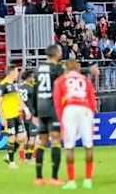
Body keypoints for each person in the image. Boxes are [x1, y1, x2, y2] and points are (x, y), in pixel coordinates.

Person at [53, 59, 96, 190]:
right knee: (88, 146)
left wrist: (61, 121)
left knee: (69, 147)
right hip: (85, 109)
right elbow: (92, 100)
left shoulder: (60, 80)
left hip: (70, 109)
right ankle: (87, 180)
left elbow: (57, 103)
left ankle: (71, 181)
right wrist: (91, 116)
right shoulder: (85, 79)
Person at [34, 45, 64, 185]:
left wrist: (35, 112)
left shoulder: (38, 69)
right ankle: (54, 178)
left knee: (42, 142)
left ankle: (39, 178)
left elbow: (34, 90)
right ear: (56, 54)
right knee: (56, 141)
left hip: (41, 107)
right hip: (52, 107)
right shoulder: (57, 68)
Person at [0, 65, 25, 169]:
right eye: (17, 71)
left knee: (22, 137)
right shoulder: (2, 85)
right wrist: (2, 117)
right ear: (11, 72)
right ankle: (12, 162)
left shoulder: (15, 85)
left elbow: (18, 98)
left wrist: (25, 109)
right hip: (8, 116)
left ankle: (9, 155)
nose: (18, 74)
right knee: (12, 137)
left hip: (16, 115)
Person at [19, 70, 37, 165]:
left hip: (23, 114)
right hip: (32, 113)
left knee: (27, 136)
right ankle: (30, 158)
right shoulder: (31, 88)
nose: (33, 78)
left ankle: (23, 157)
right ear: (28, 77)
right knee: (33, 137)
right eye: (32, 77)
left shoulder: (20, 87)